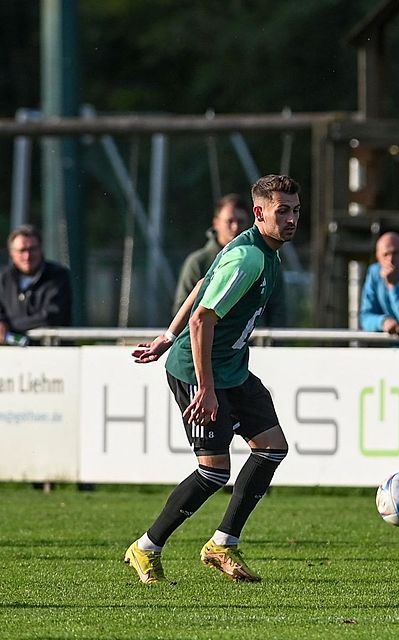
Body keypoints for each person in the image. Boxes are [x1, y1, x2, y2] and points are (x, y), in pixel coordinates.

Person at [124, 174, 301, 584]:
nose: (291, 219)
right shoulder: (249, 257)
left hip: (231, 368)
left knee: (272, 448)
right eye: (282, 211)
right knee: (214, 471)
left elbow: (205, 284)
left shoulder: (263, 251)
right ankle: (146, 547)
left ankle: (222, 543)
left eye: (295, 210)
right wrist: (204, 387)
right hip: (198, 370)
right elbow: (203, 318)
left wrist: (166, 335)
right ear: (259, 213)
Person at [173, 194, 287, 326]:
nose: (235, 227)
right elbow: (182, 309)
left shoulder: (268, 260)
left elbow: (278, 310)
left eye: (241, 221)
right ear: (216, 223)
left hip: (254, 337)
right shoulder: (198, 262)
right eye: (229, 221)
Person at [0, 225, 72, 345]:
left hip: (52, 350)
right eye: (22, 250)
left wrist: (10, 326)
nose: (27, 256)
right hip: (13, 351)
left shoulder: (58, 276)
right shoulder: (3, 279)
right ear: (11, 253)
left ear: (41, 249)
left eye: (32, 249)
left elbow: (51, 316)